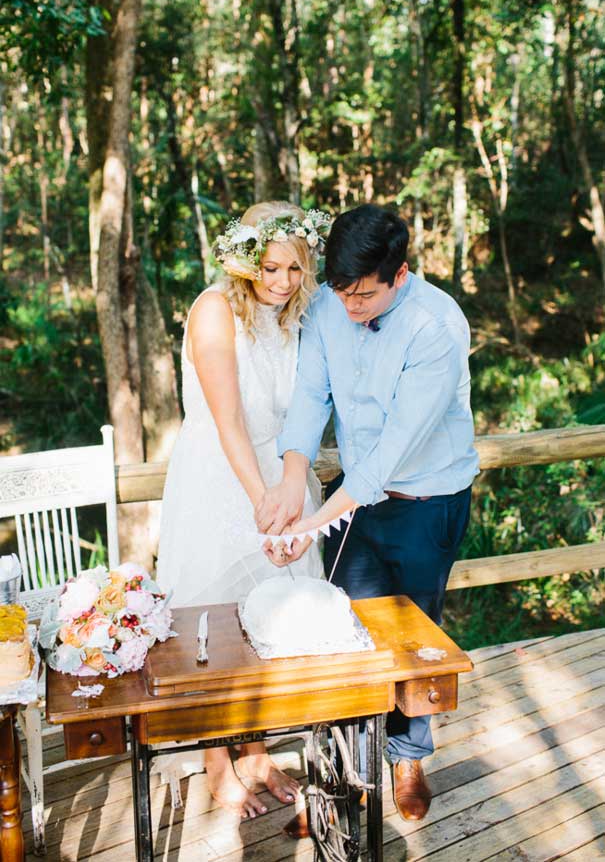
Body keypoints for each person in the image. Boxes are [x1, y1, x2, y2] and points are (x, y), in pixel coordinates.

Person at [256, 203, 479, 823]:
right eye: (342, 293)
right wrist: (294, 476)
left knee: (414, 639)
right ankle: (338, 780)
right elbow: (311, 391)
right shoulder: (330, 304)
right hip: (356, 501)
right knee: (341, 637)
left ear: (400, 275)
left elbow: (391, 453)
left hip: (424, 503)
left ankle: (408, 756)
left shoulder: (437, 327)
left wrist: (315, 521)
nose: (350, 308)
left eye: (364, 296)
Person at [156, 201, 329, 819]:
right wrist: (261, 501)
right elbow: (228, 418)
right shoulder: (213, 309)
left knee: (270, 623)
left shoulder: (294, 318)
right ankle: (216, 763)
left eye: (295, 270)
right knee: (214, 628)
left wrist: (291, 499)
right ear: (245, 260)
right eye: (271, 268)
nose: (282, 283)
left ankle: (256, 752)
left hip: (280, 481)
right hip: (220, 481)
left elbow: (302, 414)